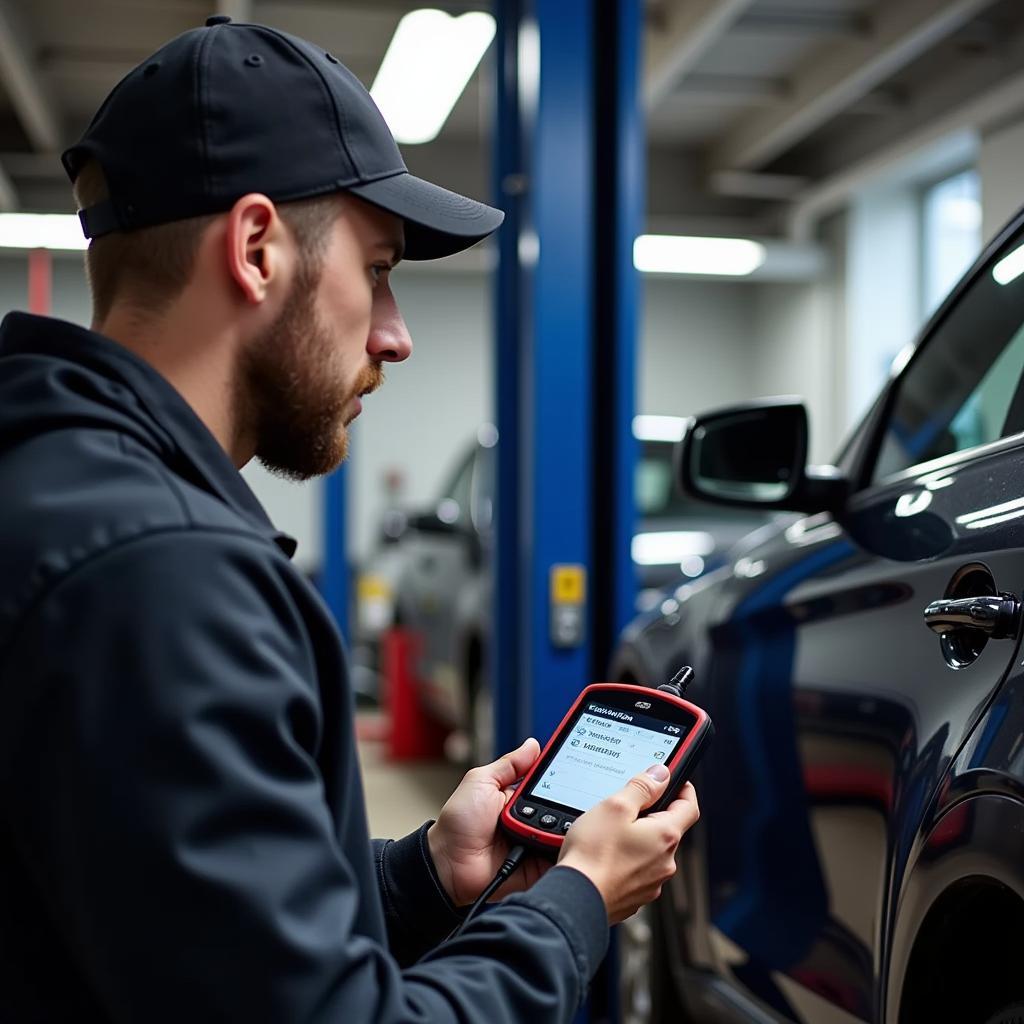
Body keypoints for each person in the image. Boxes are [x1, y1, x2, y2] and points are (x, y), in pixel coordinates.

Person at [0, 17, 700, 1023]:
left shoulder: (55, 485)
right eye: (376, 269)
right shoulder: (160, 578)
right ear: (254, 249)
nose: (396, 333)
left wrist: (422, 873)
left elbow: (178, 932)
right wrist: (574, 903)